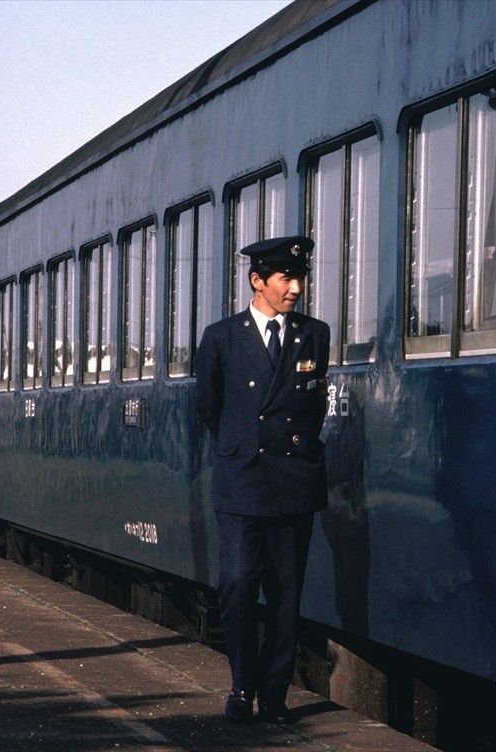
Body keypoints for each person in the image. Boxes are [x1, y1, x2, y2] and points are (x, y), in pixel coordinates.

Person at [193, 235, 329, 724]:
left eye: (299, 278)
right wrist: (240, 445)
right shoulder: (221, 338)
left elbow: (312, 407)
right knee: (236, 585)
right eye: (285, 279)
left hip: (293, 482)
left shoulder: (314, 334)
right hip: (242, 481)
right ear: (258, 281)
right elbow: (209, 407)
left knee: (286, 597)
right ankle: (241, 684)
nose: (295, 288)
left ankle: (274, 695)